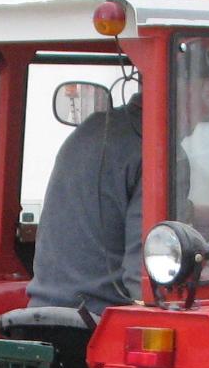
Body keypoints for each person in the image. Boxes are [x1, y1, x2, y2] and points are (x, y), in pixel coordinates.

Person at [24, 90, 144, 316]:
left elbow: (107, 203)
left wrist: (191, 211)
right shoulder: (157, 151)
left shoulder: (92, 129)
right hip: (99, 320)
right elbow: (143, 278)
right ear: (185, 91)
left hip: (39, 312)